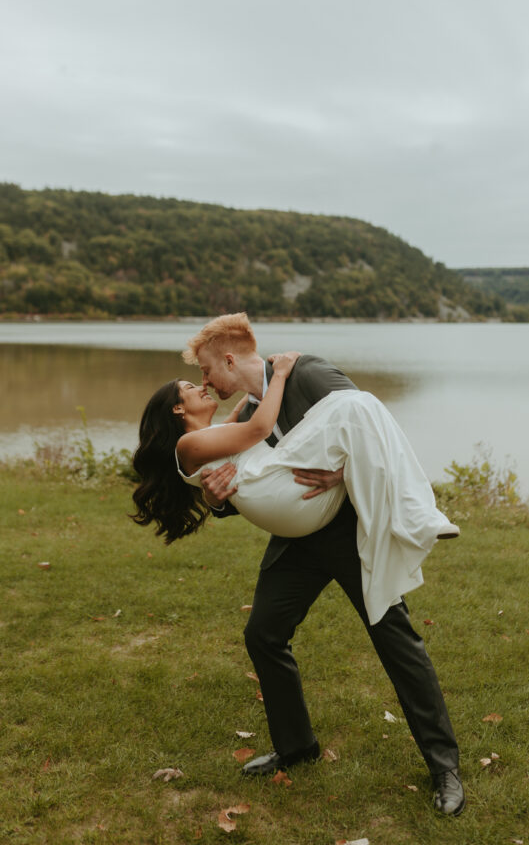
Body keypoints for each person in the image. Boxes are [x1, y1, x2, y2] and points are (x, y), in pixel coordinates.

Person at [136, 313, 466, 816]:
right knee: (263, 634)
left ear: (228, 360)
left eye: (205, 370)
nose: (205, 381)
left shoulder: (307, 373)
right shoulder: (242, 412)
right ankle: (297, 747)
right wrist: (218, 497)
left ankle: (444, 767)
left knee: (393, 635)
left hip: (345, 530)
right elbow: (238, 468)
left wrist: (339, 474)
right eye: (197, 379)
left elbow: (366, 429)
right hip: (295, 541)